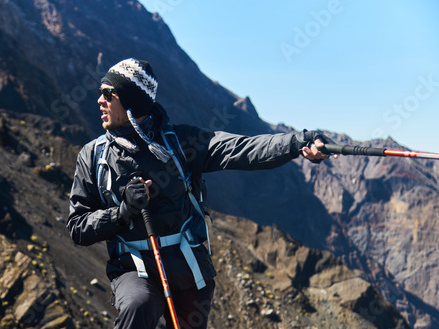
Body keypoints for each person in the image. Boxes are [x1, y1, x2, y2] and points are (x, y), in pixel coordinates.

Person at [67, 58, 333, 329]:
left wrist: (299, 142)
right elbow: (78, 228)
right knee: (139, 306)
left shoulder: (182, 142)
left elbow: (243, 149)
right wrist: (122, 212)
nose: (100, 100)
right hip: (133, 268)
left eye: (108, 94)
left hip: (187, 265)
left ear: (132, 100)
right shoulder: (93, 156)